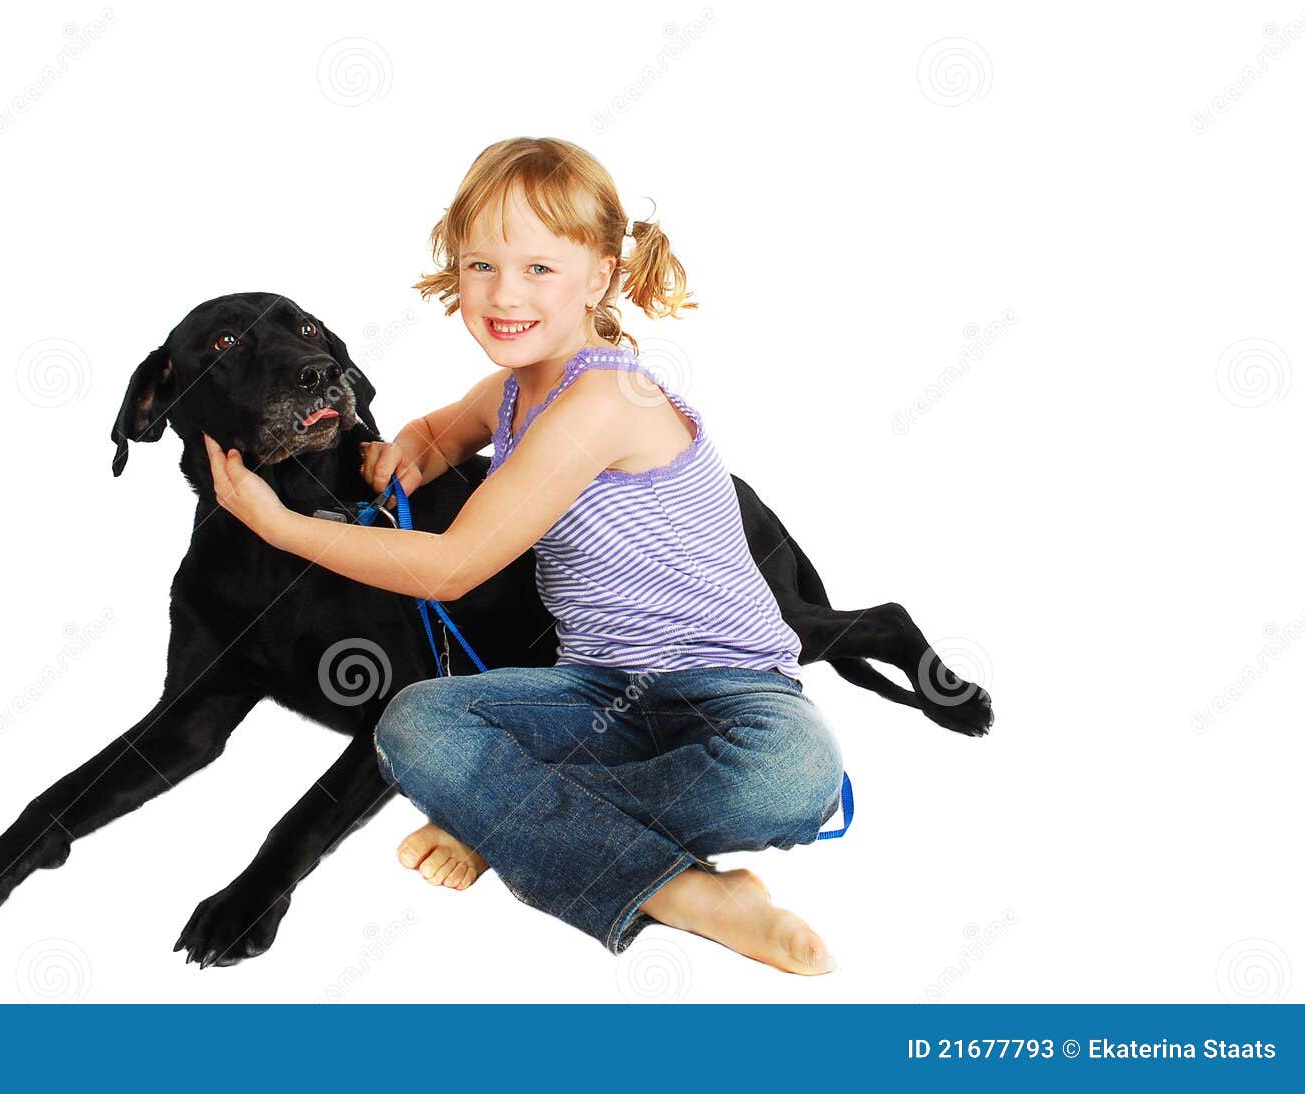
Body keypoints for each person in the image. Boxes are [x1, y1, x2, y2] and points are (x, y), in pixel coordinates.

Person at [202, 136, 844, 974]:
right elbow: (438, 430)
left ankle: (503, 826)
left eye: (540, 269)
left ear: (603, 276)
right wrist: (414, 452)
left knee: (787, 780)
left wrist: (280, 527)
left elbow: (451, 566)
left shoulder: (606, 398)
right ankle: (690, 890)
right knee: (414, 723)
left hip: (732, 704)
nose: (504, 294)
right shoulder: (510, 392)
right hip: (595, 698)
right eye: (480, 266)